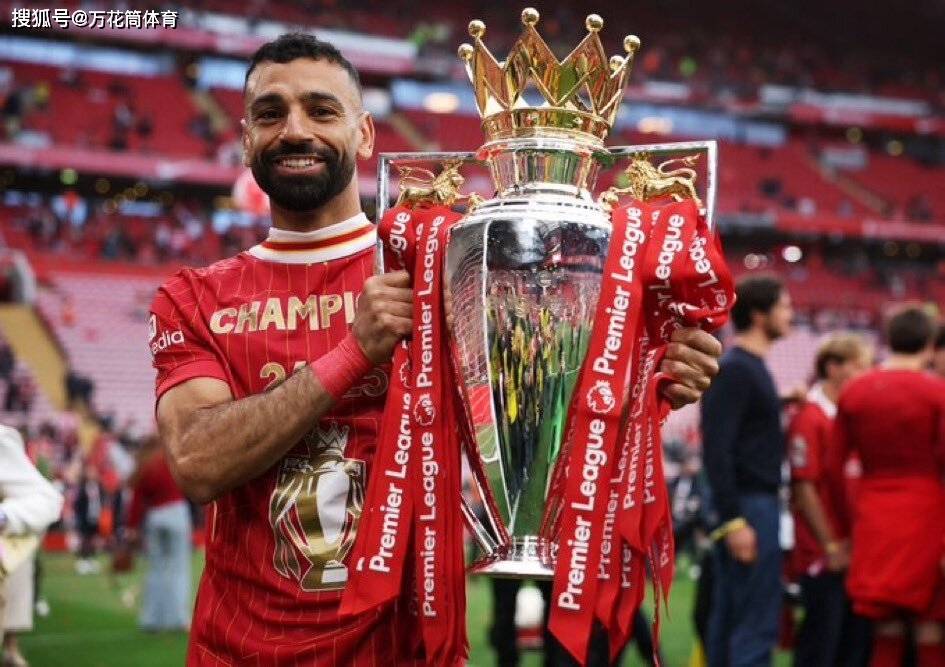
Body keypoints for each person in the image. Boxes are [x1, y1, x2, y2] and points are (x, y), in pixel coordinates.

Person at [151, 33, 723, 665]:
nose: (294, 130)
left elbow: (548, 400)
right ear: (245, 140)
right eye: (269, 114)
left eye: (321, 110)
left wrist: (651, 374)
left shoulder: (446, 269)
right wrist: (355, 351)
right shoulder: (192, 297)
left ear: (365, 134)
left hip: (399, 648)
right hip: (235, 651)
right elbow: (197, 462)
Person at [827, 307, 945, 667]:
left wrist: (845, 528)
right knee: (929, 626)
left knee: (885, 627)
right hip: (928, 516)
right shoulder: (937, 393)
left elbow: (832, 468)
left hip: (874, 516)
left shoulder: (855, 392)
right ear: (929, 344)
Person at [701, 274, 793, 667]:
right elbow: (717, 448)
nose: (790, 314)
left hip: (747, 505)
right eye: (784, 306)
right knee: (754, 622)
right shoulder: (737, 369)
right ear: (759, 314)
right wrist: (734, 520)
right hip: (749, 507)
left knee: (733, 620)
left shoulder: (746, 368)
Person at [788, 333, 872, 667]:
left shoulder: (849, 416)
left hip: (853, 551)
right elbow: (804, 488)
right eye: (858, 367)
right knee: (822, 645)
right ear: (834, 368)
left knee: (851, 647)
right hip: (824, 554)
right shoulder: (810, 417)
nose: (864, 375)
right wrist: (831, 545)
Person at [0, 425, 64, 667]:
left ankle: (11, 646)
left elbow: (47, 499)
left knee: (24, 573)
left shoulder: (3, 441)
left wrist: (4, 516)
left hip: (12, 542)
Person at [126, 435, 192, 633]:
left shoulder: (144, 465)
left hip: (154, 517)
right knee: (178, 568)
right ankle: (178, 619)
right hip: (176, 512)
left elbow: (137, 500)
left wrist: (132, 527)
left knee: (156, 570)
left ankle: (151, 619)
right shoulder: (172, 459)